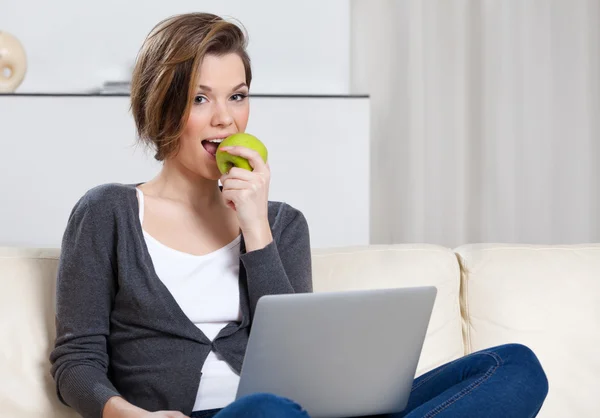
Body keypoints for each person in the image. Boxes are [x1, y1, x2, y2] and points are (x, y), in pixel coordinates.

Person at [49, 12, 549, 418]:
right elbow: (77, 361)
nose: (225, 117)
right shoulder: (107, 213)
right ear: (161, 104)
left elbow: (297, 366)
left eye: (237, 96)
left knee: (516, 367)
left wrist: (256, 229)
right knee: (266, 410)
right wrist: (127, 415)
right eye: (200, 98)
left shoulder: (282, 223)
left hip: (299, 413)